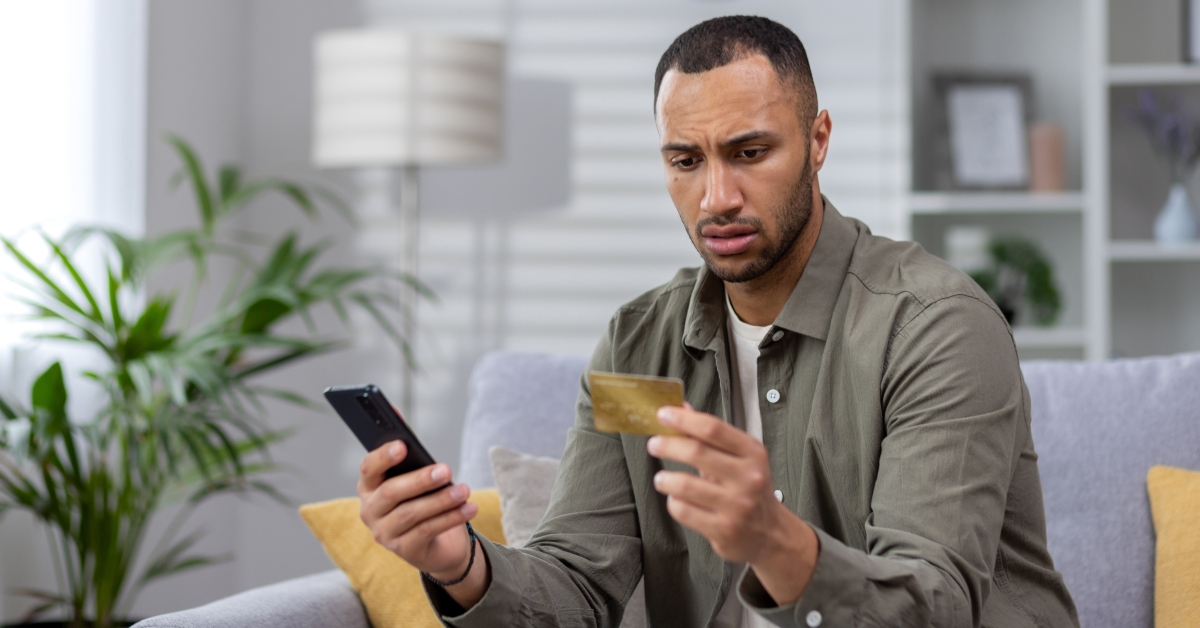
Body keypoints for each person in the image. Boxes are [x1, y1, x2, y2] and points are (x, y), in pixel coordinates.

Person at [356, 15, 1079, 628]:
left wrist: (774, 540)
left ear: (818, 139)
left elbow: (937, 604)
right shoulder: (637, 349)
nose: (716, 197)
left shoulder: (935, 327)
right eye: (685, 160)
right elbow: (579, 582)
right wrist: (462, 565)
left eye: (750, 152)